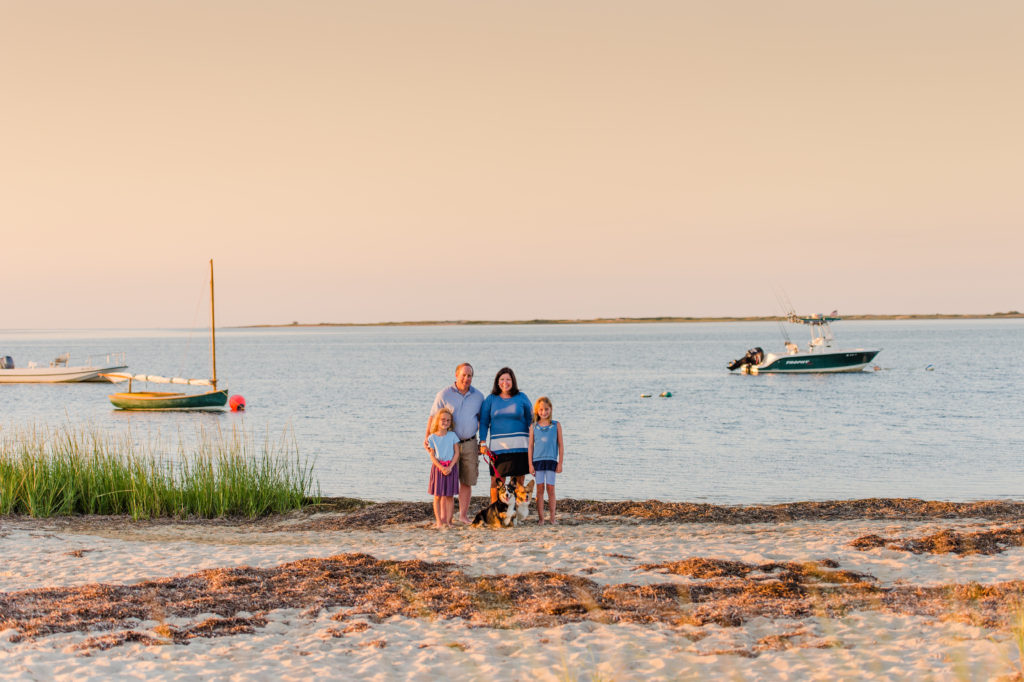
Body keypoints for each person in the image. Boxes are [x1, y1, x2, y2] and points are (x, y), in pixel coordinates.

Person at [426, 362, 484, 524]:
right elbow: (433, 417)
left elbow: (482, 420)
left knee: (467, 480)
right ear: (456, 375)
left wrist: (483, 441)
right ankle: (444, 519)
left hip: (470, 443)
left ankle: (463, 516)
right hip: (447, 445)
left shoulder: (478, 396)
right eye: (464, 375)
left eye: (470, 375)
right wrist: (428, 439)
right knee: (447, 483)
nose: (466, 378)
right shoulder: (444, 394)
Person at [478, 367, 532, 502]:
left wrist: (536, 441)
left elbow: (532, 421)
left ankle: (517, 511)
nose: (505, 382)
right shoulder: (490, 399)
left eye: (508, 379)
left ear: (513, 381)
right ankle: (495, 510)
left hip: (520, 447)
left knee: (519, 482)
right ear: (497, 382)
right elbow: (484, 422)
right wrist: (482, 442)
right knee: (497, 482)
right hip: (498, 449)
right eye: (502, 379)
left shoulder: (522, 397)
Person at [528, 396, 564, 525]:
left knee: (551, 489)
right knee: (540, 490)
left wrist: (560, 463)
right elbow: (530, 446)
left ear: (551, 410)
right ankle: (541, 518)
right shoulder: (533, 427)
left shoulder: (556, 425)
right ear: (537, 411)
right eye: (541, 409)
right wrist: (530, 464)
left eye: (547, 409)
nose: (544, 412)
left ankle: (552, 518)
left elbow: (561, 445)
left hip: (551, 461)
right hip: (538, 462)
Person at [426, 408, 460, 528]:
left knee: (450, 496)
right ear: (437, 420)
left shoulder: (452, 435)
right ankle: (439, 522)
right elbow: (432, 455)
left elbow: (457, 453)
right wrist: (441, 467)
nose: (445, 422)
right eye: (443, 419)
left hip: (451, 468)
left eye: (448, 420)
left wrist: (450, 466)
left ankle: (449, 522)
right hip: (438, 468)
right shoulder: (432, 438)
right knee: (438, 496)